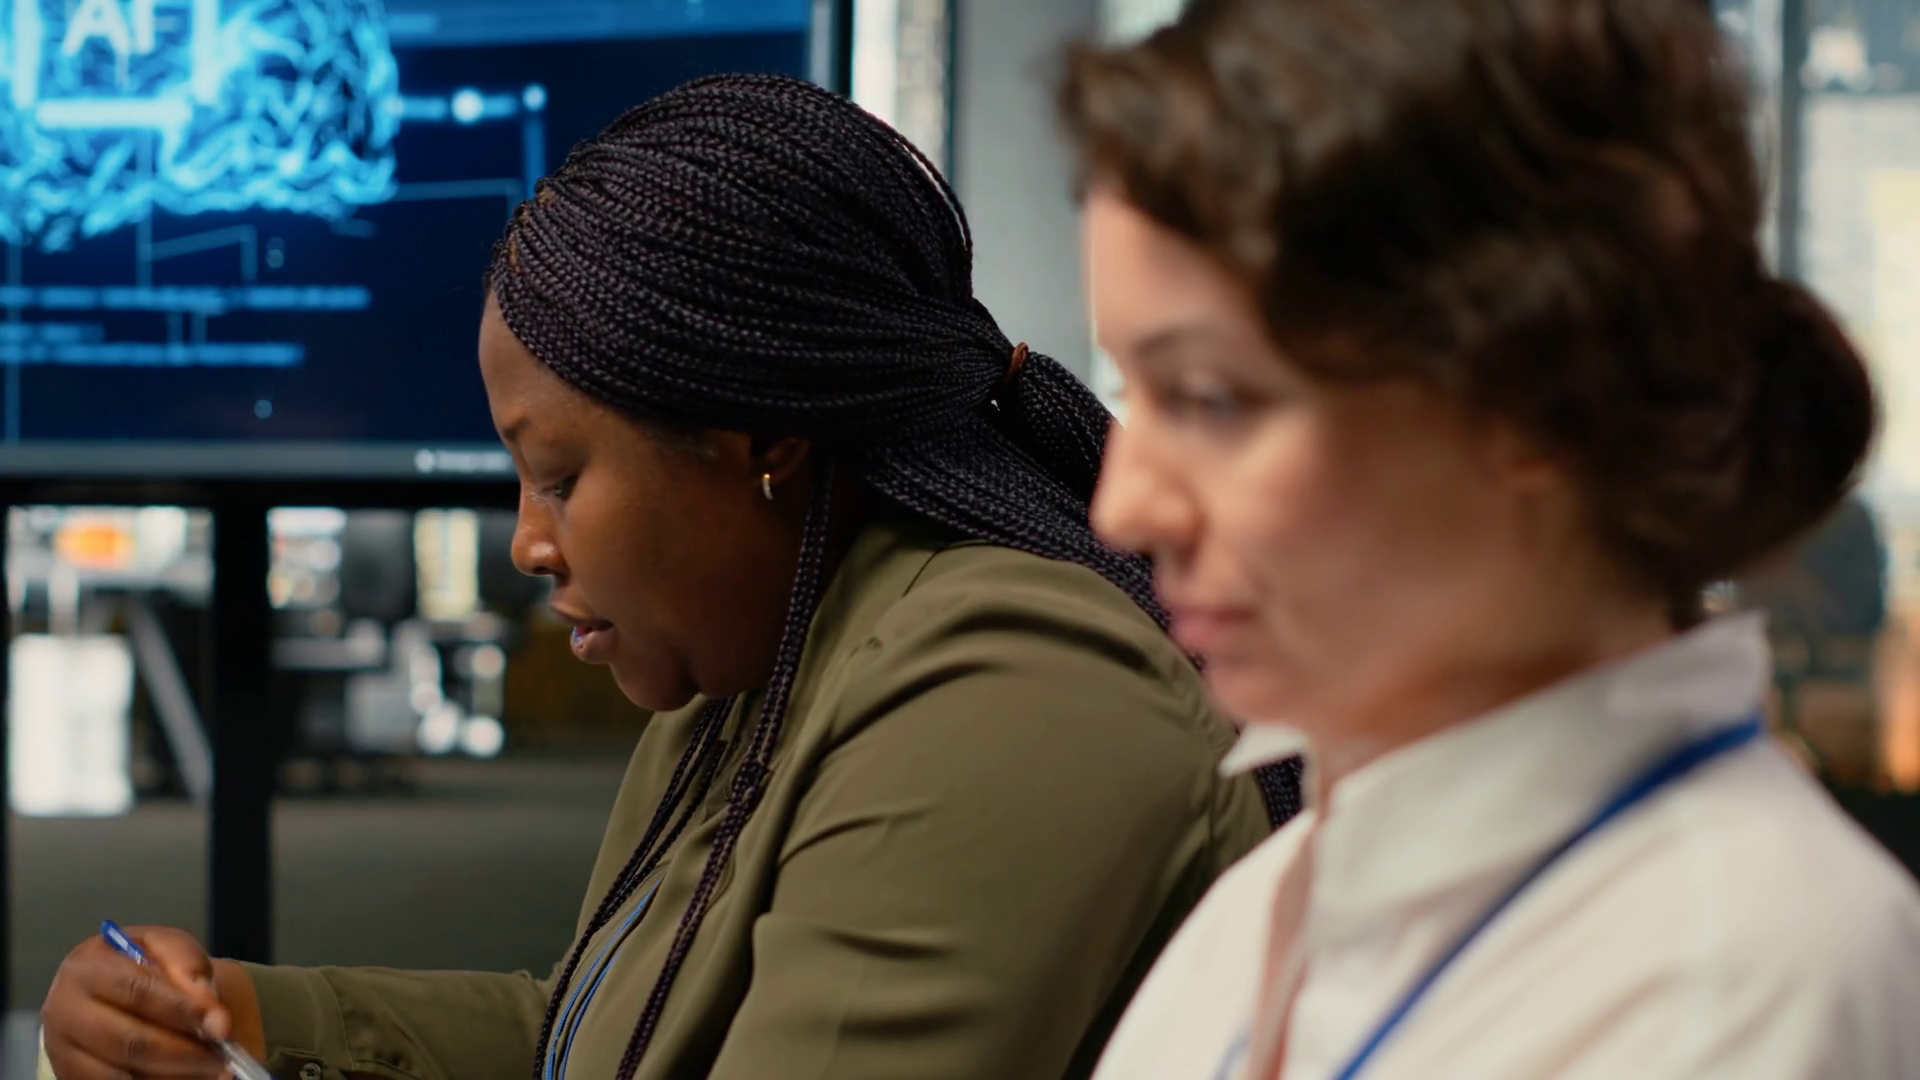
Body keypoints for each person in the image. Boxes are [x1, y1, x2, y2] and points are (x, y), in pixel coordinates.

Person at [38, 74, 1280, 1080]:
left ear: (764, 441)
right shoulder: (748, 672)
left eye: (559, 477)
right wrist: (243, 1022)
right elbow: (606, 1041)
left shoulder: (1008, 688)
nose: (528, 543)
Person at [1058, 0, 1920, 1077]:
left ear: (1539, 399)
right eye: (1131, 391)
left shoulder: (1737, 981)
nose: (1126, 509)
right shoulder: (1287, 891)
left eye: (1212, 398)